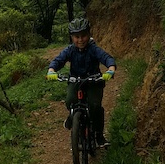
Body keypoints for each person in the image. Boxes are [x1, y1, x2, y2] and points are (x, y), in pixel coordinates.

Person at [46, 17, 116, 147]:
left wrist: (110, 69)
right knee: (70, 100)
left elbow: (106, 58)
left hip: (94, 81)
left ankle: (99, 136)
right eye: (76, 36)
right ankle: (73, 118)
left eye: (83, 36)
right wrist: (51, 70)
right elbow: (58, 60)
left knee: (95, 106)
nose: (80, 40)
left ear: (88, 35)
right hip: (75, 80)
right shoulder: (70, 50)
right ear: (72, 37)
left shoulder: (93, 49)